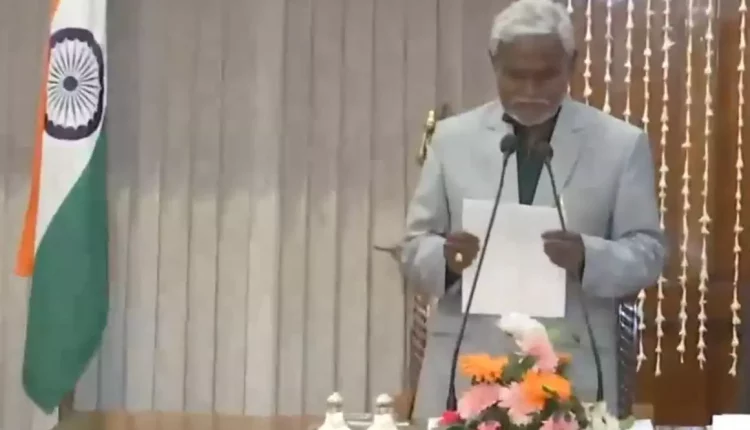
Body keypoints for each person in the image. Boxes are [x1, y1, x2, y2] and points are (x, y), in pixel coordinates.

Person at [400, 0, 666, 419]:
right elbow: (414, 248)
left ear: (571, 63)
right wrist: (447, 260)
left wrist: (588, 257)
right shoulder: (452, 140)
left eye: (545, 76)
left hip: (571, 374)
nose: (530, 91)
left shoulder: (619, 144)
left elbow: (648, 253)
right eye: (515, 75)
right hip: (466, 373)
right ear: (494, 63)